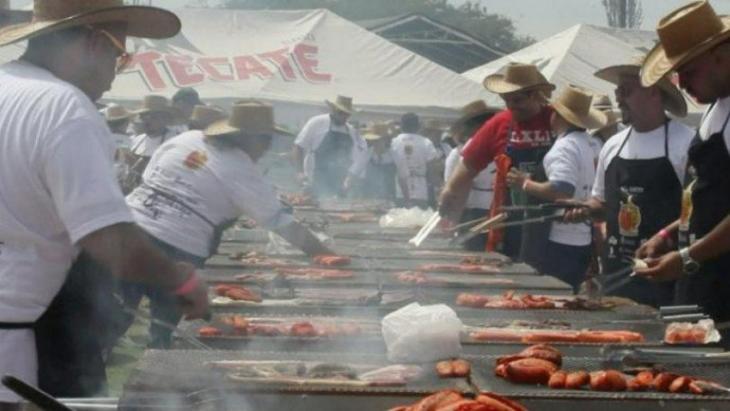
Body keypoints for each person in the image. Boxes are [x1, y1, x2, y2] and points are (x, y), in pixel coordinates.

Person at [0, 0, 208, 402]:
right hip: (20, 342)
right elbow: (109, 241)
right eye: (121, 55)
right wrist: (180, 278)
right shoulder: (65, 107)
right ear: (95, 43)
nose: (116, 75)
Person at [122, 102, 333, 348]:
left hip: (127, 229)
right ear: (250, 139)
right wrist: (324, 255)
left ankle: (98, 371)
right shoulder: (241, 168)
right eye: (266, 140)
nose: (267, 147)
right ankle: (157, 354)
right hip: (177, 245)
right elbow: (280, 223)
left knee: (115, 314)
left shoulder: (187, 138)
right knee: (167, 314)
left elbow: (150, 176)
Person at [635, 1, 730, 335]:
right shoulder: (715, 108)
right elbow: (704, 195)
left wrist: (688, 256)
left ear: (721, 55)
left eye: (688, 71)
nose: (681, 82)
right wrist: (668, 234)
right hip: (702, 285)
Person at [565, 58, 692, 306]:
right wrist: (585, 209)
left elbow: (697, 210)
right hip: (617, 276)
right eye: (617, 92)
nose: (619, 100)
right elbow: (601, 201)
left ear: (653, 91)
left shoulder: (685, 143)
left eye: (626, 92)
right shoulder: (612, 145)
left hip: (665, 276)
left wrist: (665, 236)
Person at [440, 63, 556, 265]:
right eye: (506, 99)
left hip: (553, 219)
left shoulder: (556, 118)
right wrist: (450, 189)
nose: (511, 105)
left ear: (535, 94)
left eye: (517, 99)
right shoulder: (499, 123)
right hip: (510, 219)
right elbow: (469, 165)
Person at [506, 86, 605, 290]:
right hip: (582, 239)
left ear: (557, 116)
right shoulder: (593, 143)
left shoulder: (565, 147)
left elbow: (561, 191)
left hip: (555, 240)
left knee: (547, 301)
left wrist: (525, 183)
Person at [444, 100, 498, 251]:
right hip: (497, 207)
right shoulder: (501, 142)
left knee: (473, 254)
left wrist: (454, 220)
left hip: (475, 210)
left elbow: (461, 187)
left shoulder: (471, 146)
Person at [293, 95, 368, 198]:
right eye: (340, 113)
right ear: (333, 110)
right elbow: (299, 146)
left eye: (346, 114)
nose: (343, 117)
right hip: (313, 178)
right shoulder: (317, 122)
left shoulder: (351, 132)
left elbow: (359, 160)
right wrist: (299, 172)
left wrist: (347, 182)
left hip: (338, 182)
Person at [124, 95, 181, 193]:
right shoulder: (137, 141)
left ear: (165, 119)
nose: (147, 120)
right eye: (143, 116)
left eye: (152, 116)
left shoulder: (175, 142)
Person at [390, 113, 440, 209]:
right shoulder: (426, 142)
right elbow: (432, 169)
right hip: (420, 190)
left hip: (400, 189)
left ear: (401, 126)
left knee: (400, 220)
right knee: (418, 221)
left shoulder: (394, 142)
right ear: (418, 126)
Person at [362, 123, 396, 200]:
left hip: (389, 196)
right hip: (370, 196)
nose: (373, 143)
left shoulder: (393, 154)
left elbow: (402, 177)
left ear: (385, 140)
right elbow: (355, 170)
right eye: (372, 140)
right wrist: (346, 184)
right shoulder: (368, 153)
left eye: (376, 140)